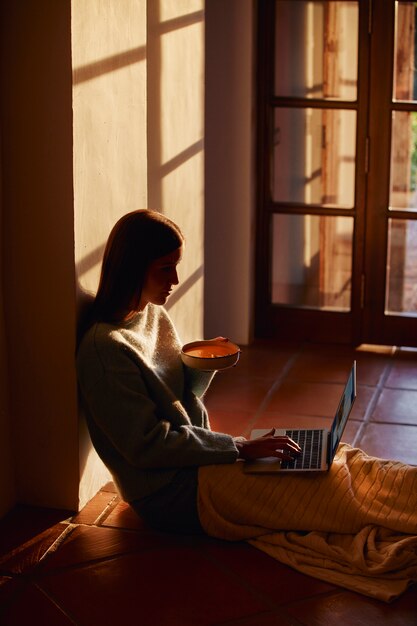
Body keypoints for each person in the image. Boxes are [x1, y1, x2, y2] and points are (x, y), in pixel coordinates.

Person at [76, 209, 301, 534]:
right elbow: (147, 447)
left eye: (176, 266)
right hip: (167, 491)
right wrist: (238, 447)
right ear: (132, 269)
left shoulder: (154, 314)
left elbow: (184, 393)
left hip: (201, 459)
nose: (175, 280)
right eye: (165, 269)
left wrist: (203, 361)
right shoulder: (104, 349)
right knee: (308, 493)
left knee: (328, 465)